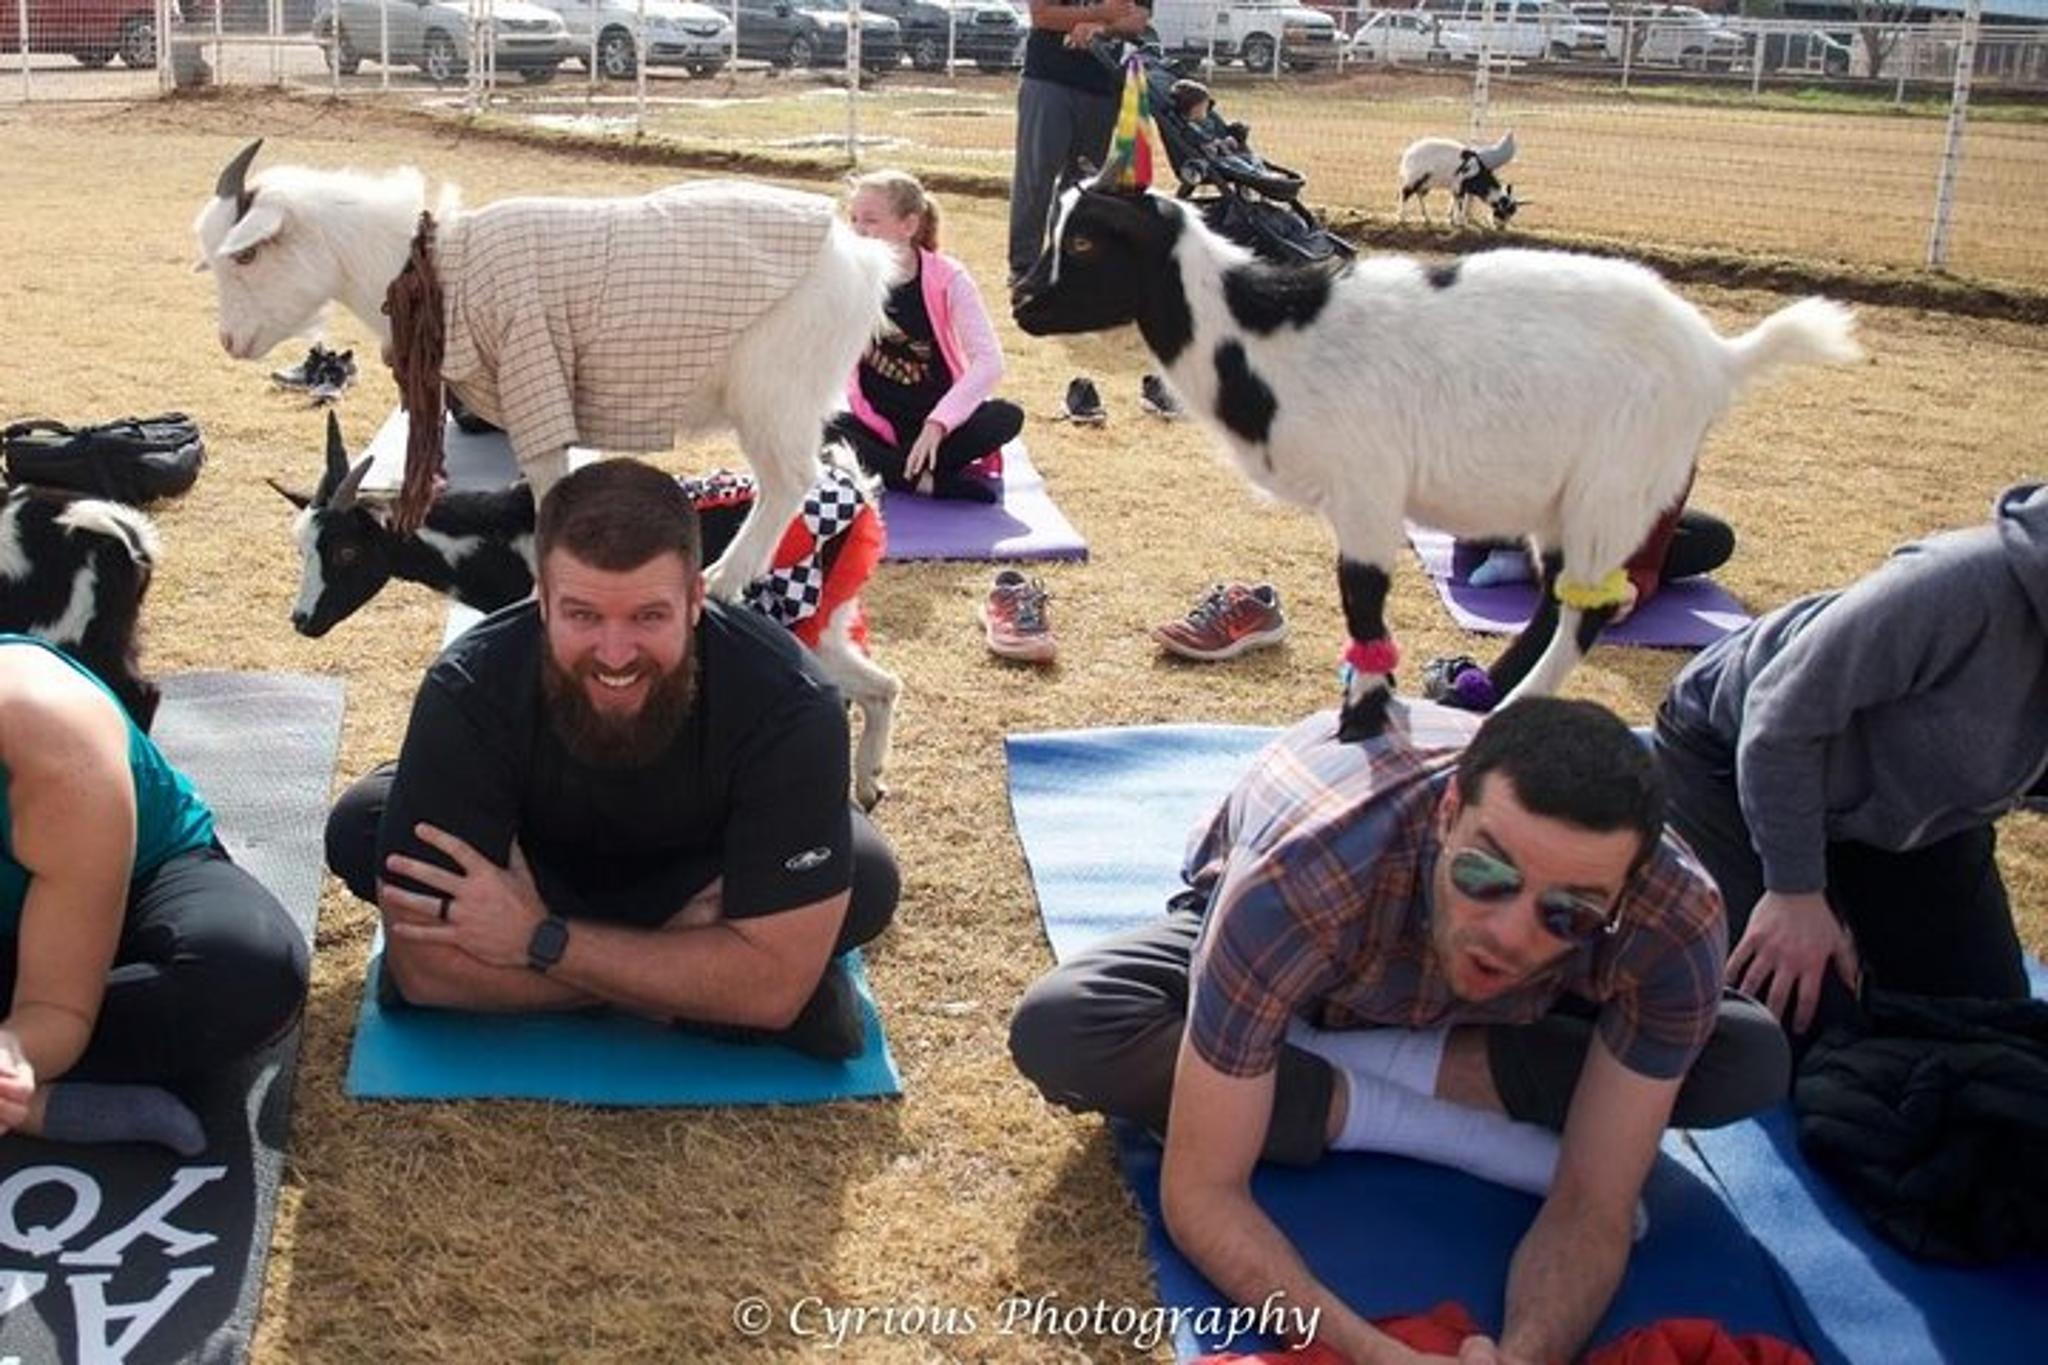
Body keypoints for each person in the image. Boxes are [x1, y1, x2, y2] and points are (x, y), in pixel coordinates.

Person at [1011, 698, 1788, 1365]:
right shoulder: (1306, 878)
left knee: (1745, 1056)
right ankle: (1374, 1086)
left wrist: (1523, 1354)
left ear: (1626, 891)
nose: (1510, 935)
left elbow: (1593, 1203)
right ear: (1449, 816)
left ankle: (1313, 1059)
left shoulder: (1674, 914)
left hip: (1487, 1010)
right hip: (1318, 965)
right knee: (1069, 1028)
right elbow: (1204, 1190)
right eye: (1487, 876)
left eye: (1569, 913)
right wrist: (1373, 1352)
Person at [323, 459, 899, 1060]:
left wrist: (539, 940)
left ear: (696, 598)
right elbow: (424, 972)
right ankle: (693, 978)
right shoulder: (469, 685)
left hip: (696, 866)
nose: (616, 653)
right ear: (540, 599)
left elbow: (775, 986)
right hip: (551, 865)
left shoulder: (789, 699)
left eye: (649, 615)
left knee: (866, 876)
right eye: (583, 615)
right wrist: (701, 966)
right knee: (362, 826)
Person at [1654, 481, 2046, 1044]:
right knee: (1797, 1027)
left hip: (1912, 810)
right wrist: (1795, 890)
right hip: (1734, 754)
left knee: (1989, 1032)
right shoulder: (1962, 582)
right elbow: (1778, 717)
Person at [0, 636, 307, 1154]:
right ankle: (35, 1109)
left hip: (144, 877)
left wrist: (17, 1051)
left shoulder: (54, 734)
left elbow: (53, 1006)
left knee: (245, 972)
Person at [830, 170, 1024, 505]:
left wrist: (937, 425)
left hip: (942, 430)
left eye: (871, 221)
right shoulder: (845, 279)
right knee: (815, 427)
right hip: (878, 430)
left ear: (908, 226)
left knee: (1007, 416)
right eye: (854, 219)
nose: (858, 230)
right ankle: (925, 482)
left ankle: (895, 472)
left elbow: (989, 363)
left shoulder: (949, 278)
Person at [1008, 0, 1155, 287]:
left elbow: (1137, 19)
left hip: (1102, 87)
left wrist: (1101, 27)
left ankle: (1067, 264)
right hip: (1048, 80)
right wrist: (1102, 13)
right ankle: (1024, 267)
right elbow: (1042, 15)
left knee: (1083, 185)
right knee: (1035, 178)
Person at [1168, 77, 1251, 162]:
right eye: (1203, 108)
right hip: (1221, 159)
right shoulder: (1191, 129)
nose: (1206, 111)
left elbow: (1217, 135)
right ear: (1194, 109)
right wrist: (1223, 143)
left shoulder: (1206, 121)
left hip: (1228, 150)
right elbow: (1208, 146)